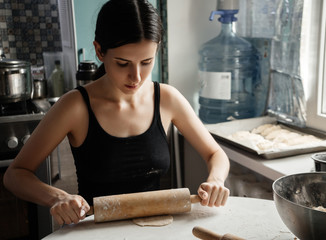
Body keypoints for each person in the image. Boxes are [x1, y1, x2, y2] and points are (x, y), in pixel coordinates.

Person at [4, 0, 230, 226]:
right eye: (123, 63)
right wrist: (59, 197)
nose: (136, 77)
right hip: (96, 234)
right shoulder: (75, 106)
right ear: (99, 51)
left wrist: (216, 180)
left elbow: (215, 154)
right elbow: (15, 175)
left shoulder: (167, 99)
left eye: (146, 62)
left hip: (156, 232)